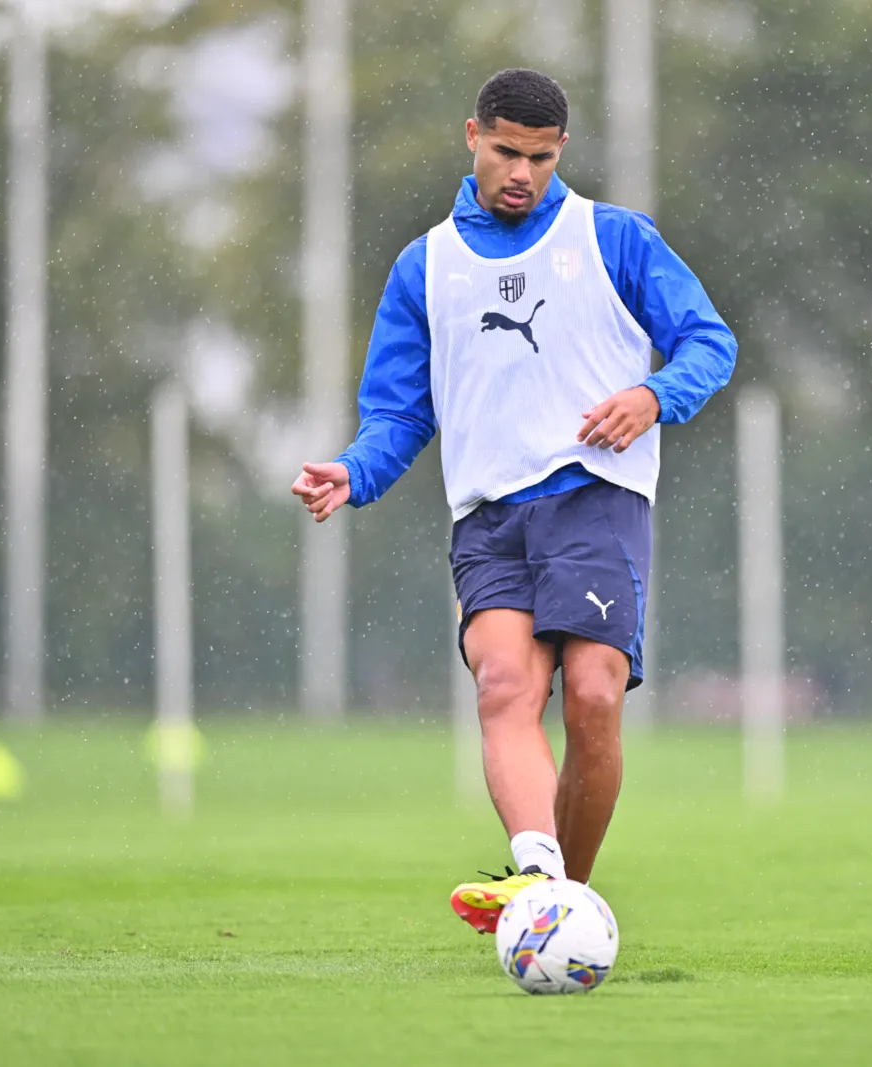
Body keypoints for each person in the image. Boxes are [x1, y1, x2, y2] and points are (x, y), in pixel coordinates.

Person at [292, 68, 736, 934]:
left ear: (561, 149)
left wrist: (653, 396)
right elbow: (399, 413)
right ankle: (540, 878)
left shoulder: (614, 238)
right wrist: (355, 470)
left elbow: (708, 342)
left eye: (539, 157)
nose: (521, 173)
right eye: (505, 152)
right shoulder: (425, 266)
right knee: (504, 685)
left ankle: (565, 902)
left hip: (595, 500)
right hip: (489, 518)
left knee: (594, 698)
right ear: (473, 136)